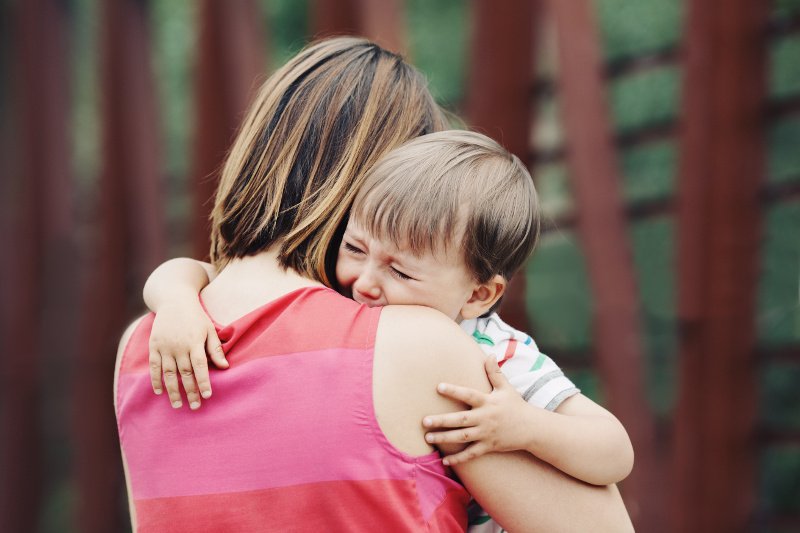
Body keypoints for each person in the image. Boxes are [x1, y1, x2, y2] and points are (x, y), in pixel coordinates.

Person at [116, 37, 634, 531]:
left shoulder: (143, 348)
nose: (369, 282)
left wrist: (176, 300)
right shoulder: (420, 344)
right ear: (377, 187)